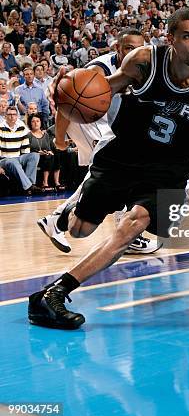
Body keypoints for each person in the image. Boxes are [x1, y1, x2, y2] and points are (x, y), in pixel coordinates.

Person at [28, 7, 189, 329]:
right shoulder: (144, 61)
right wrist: (67, 87)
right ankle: (67, 212)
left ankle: (55, 292)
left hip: (170, 168)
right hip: (124, 156)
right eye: (188, 36)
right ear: (170, 40)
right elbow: (100, 89)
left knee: (133, 225)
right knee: (80, 229)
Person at [37, 28, 167, 255]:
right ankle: (61, 220)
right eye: (128, 48)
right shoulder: (99, 69)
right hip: (83, 121)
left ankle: (57, 220)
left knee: (120, 173)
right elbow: (67, 103)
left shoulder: (144, 65)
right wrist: (59, 139)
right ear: (117, 48)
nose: (134, 52)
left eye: (139, 48)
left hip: (105, 125)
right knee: (114, 169)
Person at [0, 105, 41, 194]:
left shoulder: (21, 126)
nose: (12, 116)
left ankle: (30, 184)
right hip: (4, 160)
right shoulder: (0, 128)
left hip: (18, 158)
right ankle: (28, 187)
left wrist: (25, 159)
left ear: (17, 116)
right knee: (12, 161)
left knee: (34, 155)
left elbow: (25, 148)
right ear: (5, 116)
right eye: (9, 114)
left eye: (14, 114)